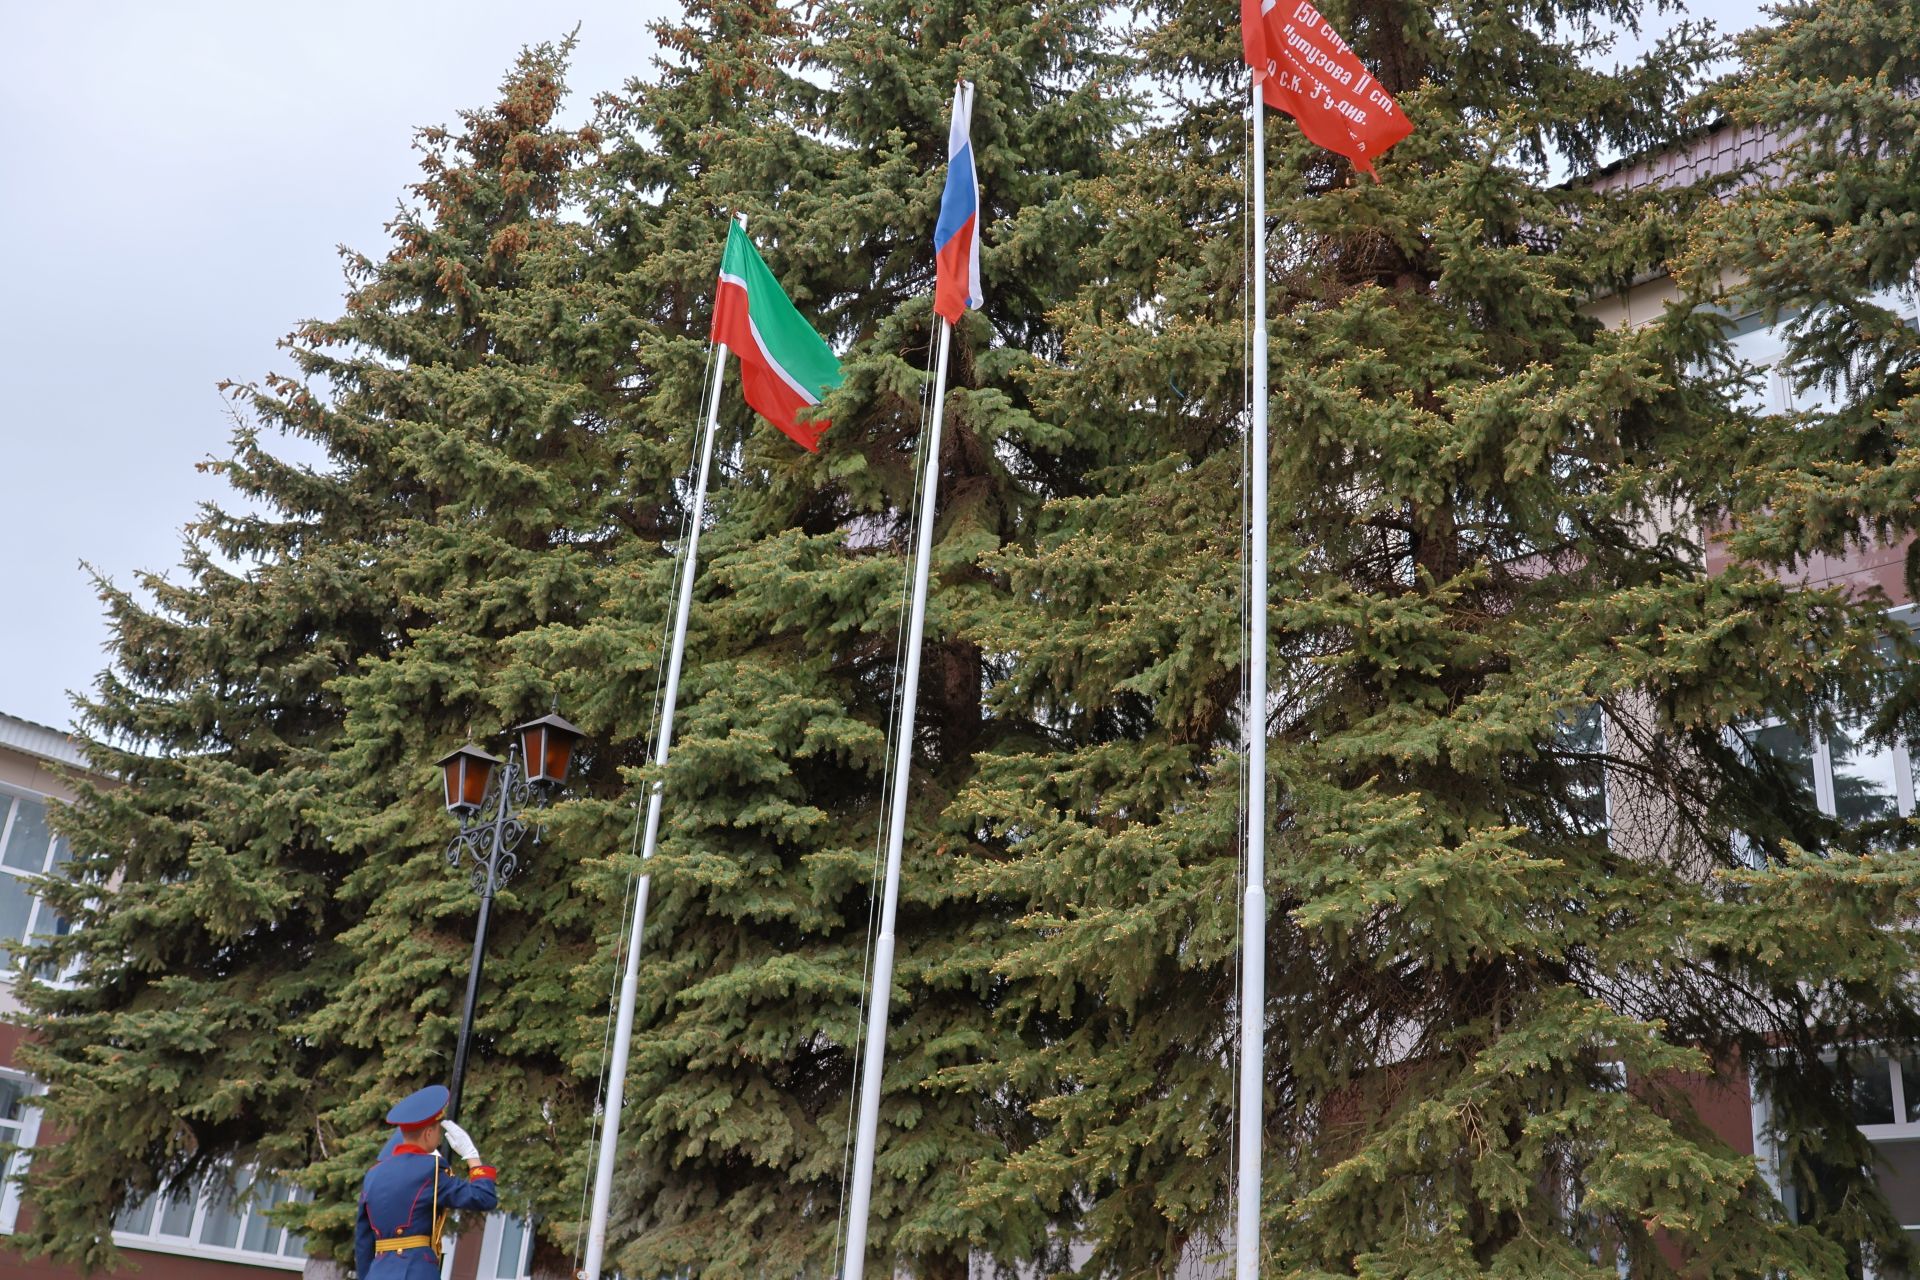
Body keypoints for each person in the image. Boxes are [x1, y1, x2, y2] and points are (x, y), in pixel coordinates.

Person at [354, 1085, 498, 1279]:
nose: (439, 1138)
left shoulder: (373, 1174)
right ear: (428, 1133)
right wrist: (472, 1157)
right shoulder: (430, 1169)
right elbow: (484, 1197)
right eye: (438, 1131)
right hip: (416, 1272)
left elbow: (363, 1241)